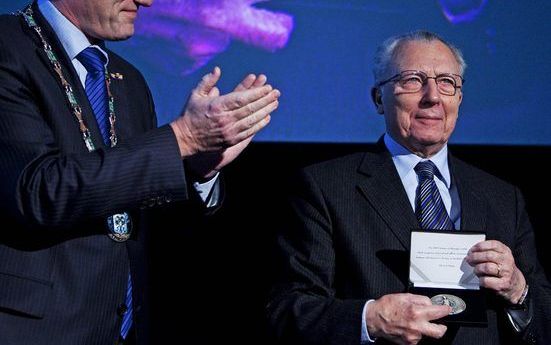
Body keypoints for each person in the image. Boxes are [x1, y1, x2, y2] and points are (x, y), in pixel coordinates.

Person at [0, 0, 280, 344]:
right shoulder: (7, 47)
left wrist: (197, 169)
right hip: (32, 330)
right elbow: (36, 191)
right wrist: (183, 138)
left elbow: (144, 221)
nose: (146, 1)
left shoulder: (128, 80)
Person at [266, 31, 550, 344]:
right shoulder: (325, 187)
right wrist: (370, 320)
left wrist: (519, 291)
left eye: (446, 82)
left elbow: (545, 321)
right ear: (378, 99)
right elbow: (288, 312)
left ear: (459, 98)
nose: (433, 96)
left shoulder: (503, 197)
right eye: (413, 80)